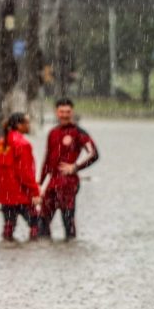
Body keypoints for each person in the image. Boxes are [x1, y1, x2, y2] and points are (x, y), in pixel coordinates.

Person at [37, 98, 99, 240]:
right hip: (52, 182)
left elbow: (94, 153)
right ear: (56, 112)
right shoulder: (53, 132)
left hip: (68, 183)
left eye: (67, 112)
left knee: (68, 219)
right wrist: (39, 183)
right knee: (42, 220)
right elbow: (47, 160)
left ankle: (70, 250)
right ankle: (44, 254)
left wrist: (76, 167)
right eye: (61, 112)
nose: (64, 115)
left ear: (72, 112)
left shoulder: (78, 132)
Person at [0, 112, 41, 241]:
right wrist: (35, 192)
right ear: (19, 125)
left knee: (8, 226)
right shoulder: (22, 144)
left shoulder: (1, 143)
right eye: (27, 123)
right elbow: (25, 172)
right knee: (35, 225)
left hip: (6, 194)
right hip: (22, 194)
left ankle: (8, 252)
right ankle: (33, 253)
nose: (29, 125)